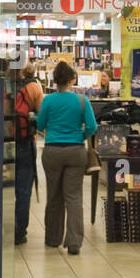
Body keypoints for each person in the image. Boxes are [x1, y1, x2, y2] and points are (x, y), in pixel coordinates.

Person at [36, 61, 97, 255]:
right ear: (73, 79)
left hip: (52, 151)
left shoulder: (48, 101)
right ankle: (74, 243)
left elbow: (40, 124)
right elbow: (92, 127)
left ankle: (53, 239)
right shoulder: (82, 100)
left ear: (54, 80)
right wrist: (79, 136)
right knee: (74, 197)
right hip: (76, 151)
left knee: (54, 196)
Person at [13, 73, 44, 246]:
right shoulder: (33, 87)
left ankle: (1, 227)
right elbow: (42, 116)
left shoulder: (2, 83)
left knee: (1, 189)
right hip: (26, 143)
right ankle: (19, 233)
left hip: (4, 141)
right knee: (23, 190)